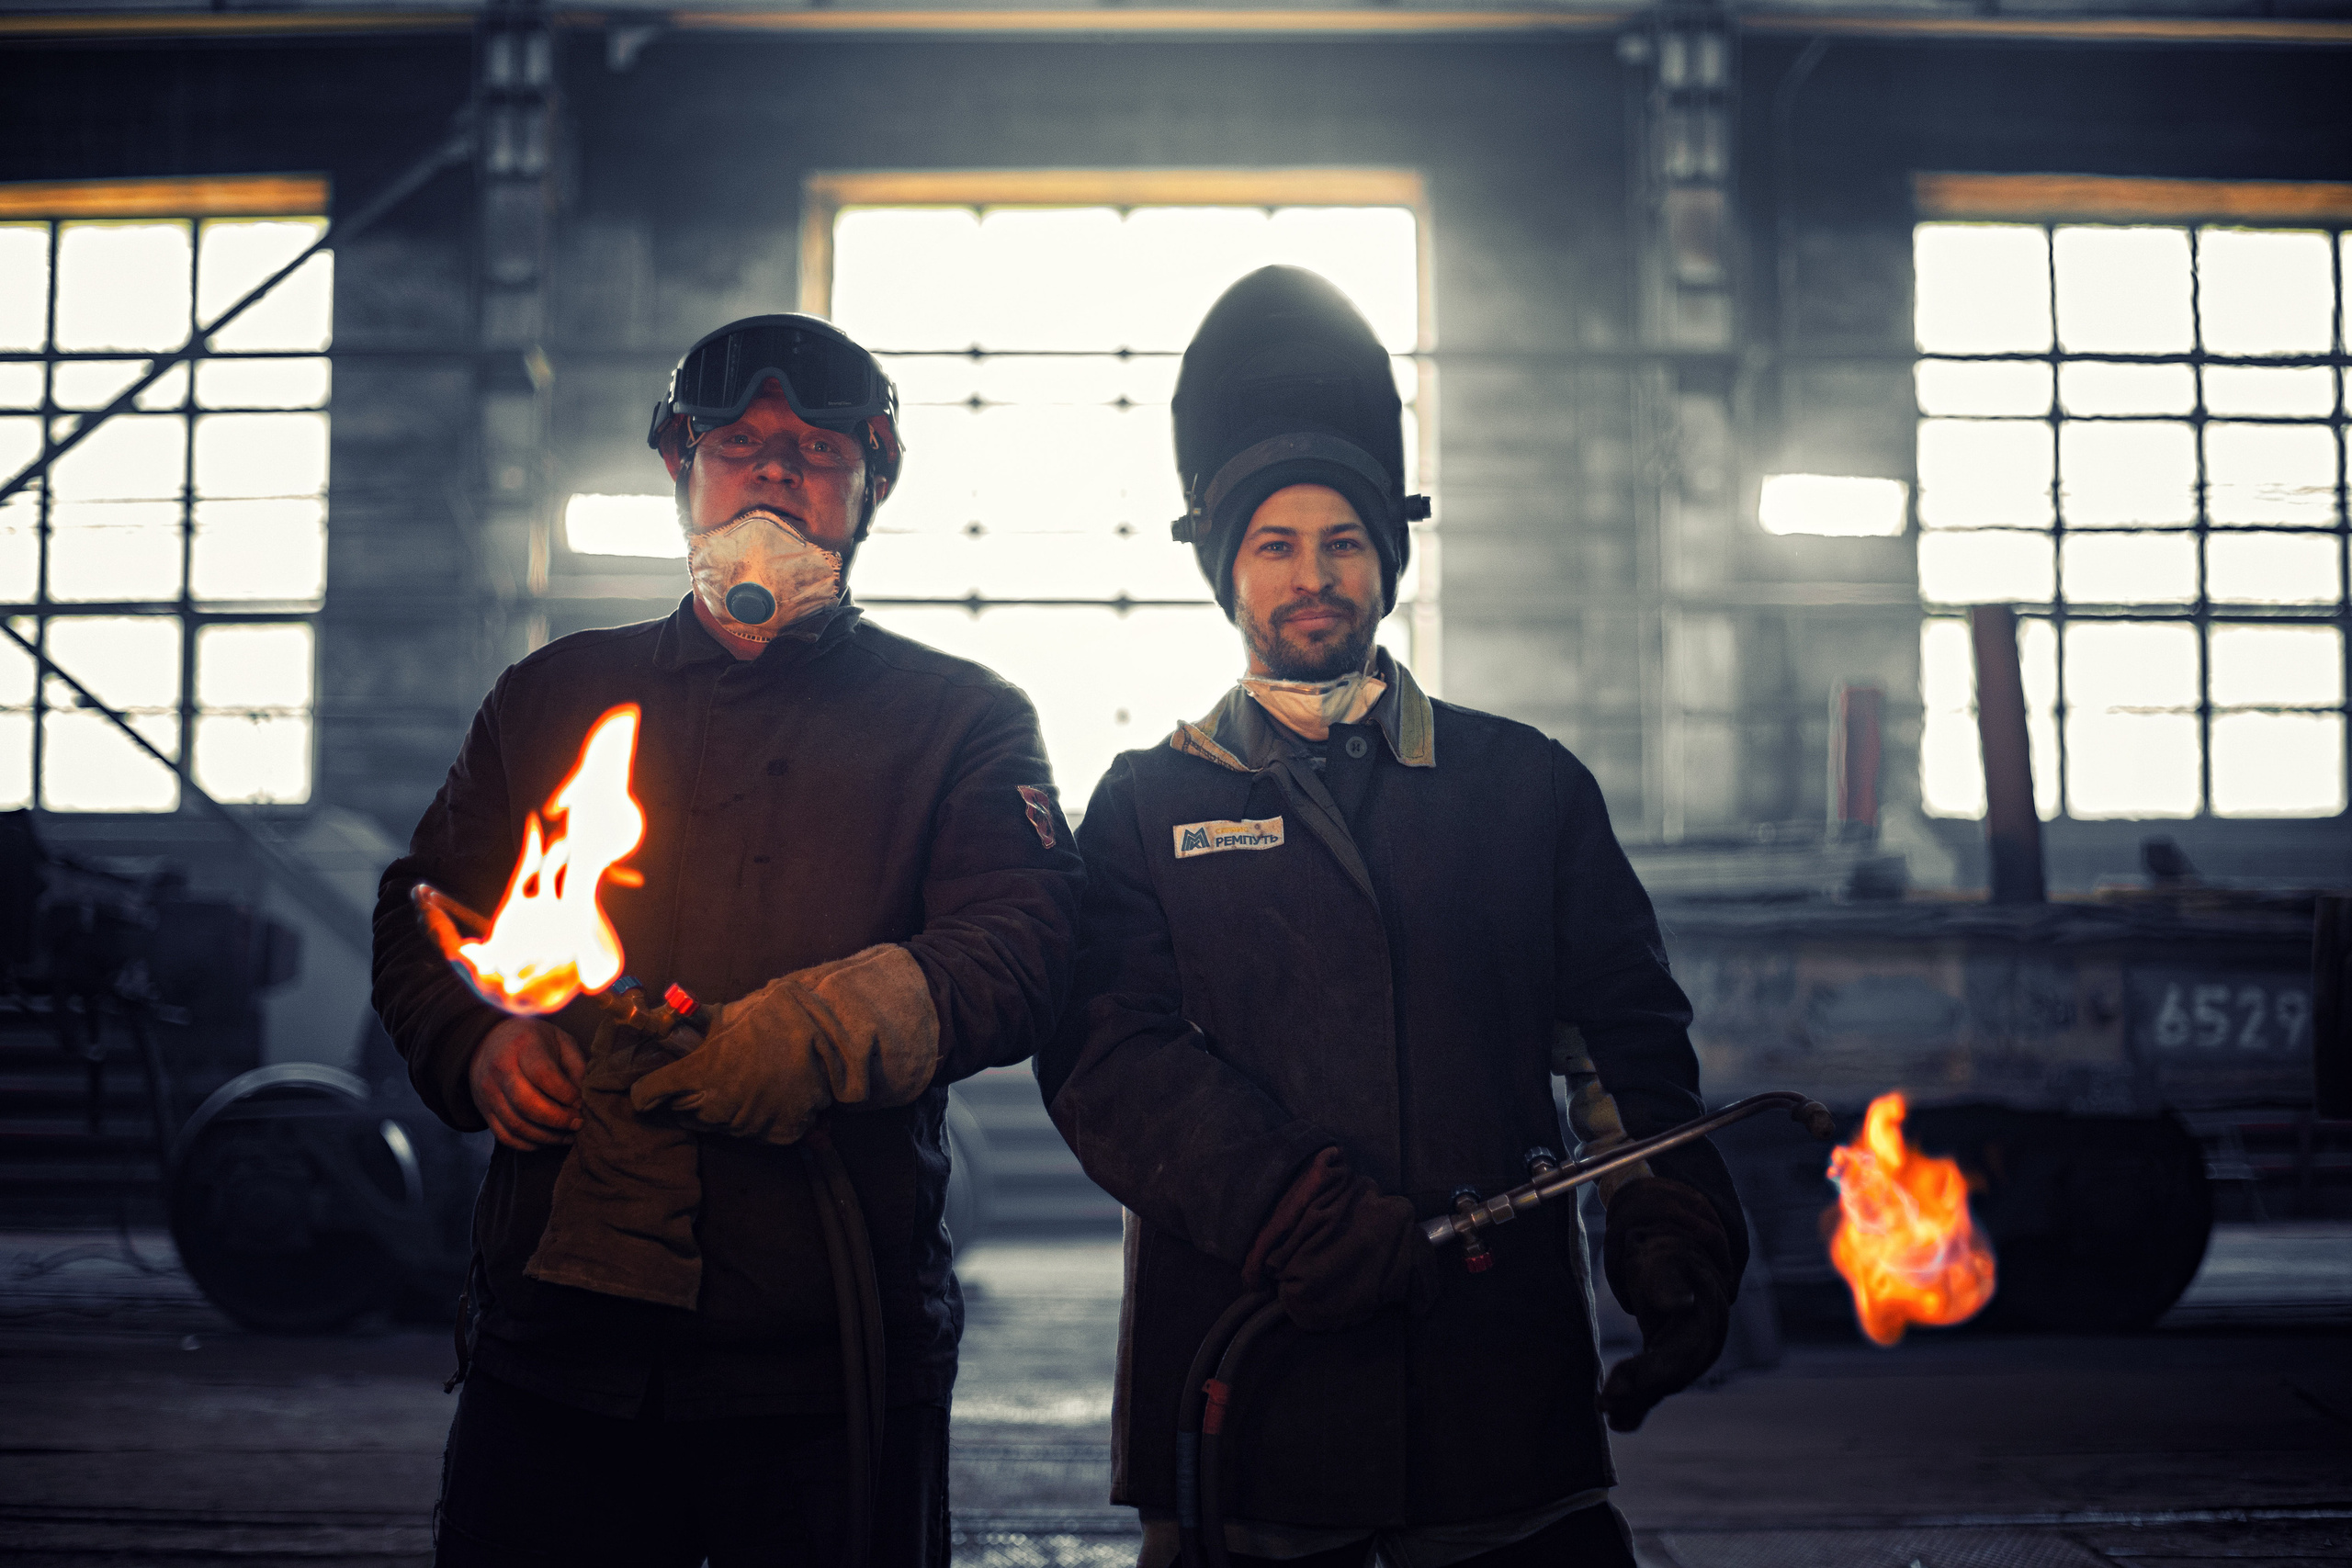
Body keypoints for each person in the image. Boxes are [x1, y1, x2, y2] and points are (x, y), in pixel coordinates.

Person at [1038, 268, 1747, 1568]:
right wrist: (1288, 1209)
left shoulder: (1524, 785)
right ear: (1226, 572)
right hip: (1245, 1400)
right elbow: (1106, 1058)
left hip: (1500, 1418)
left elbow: (1619, 1042)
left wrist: (1668, 1221)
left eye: (1345, 543)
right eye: (1276, 546)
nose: (1315, 577)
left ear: (1389, 561)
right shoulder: (1147, 803)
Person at [372, 313, 1083, 1568]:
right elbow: (424, 910)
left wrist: (827, 1031)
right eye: (738, 444)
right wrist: (479, 1044)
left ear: (871, 484)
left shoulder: (961, 720)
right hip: (559, 1343)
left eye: (813, 449)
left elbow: (1027, 943)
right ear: (678, 470)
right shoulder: (552, 698)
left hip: (831, 1350)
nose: (772, 471)